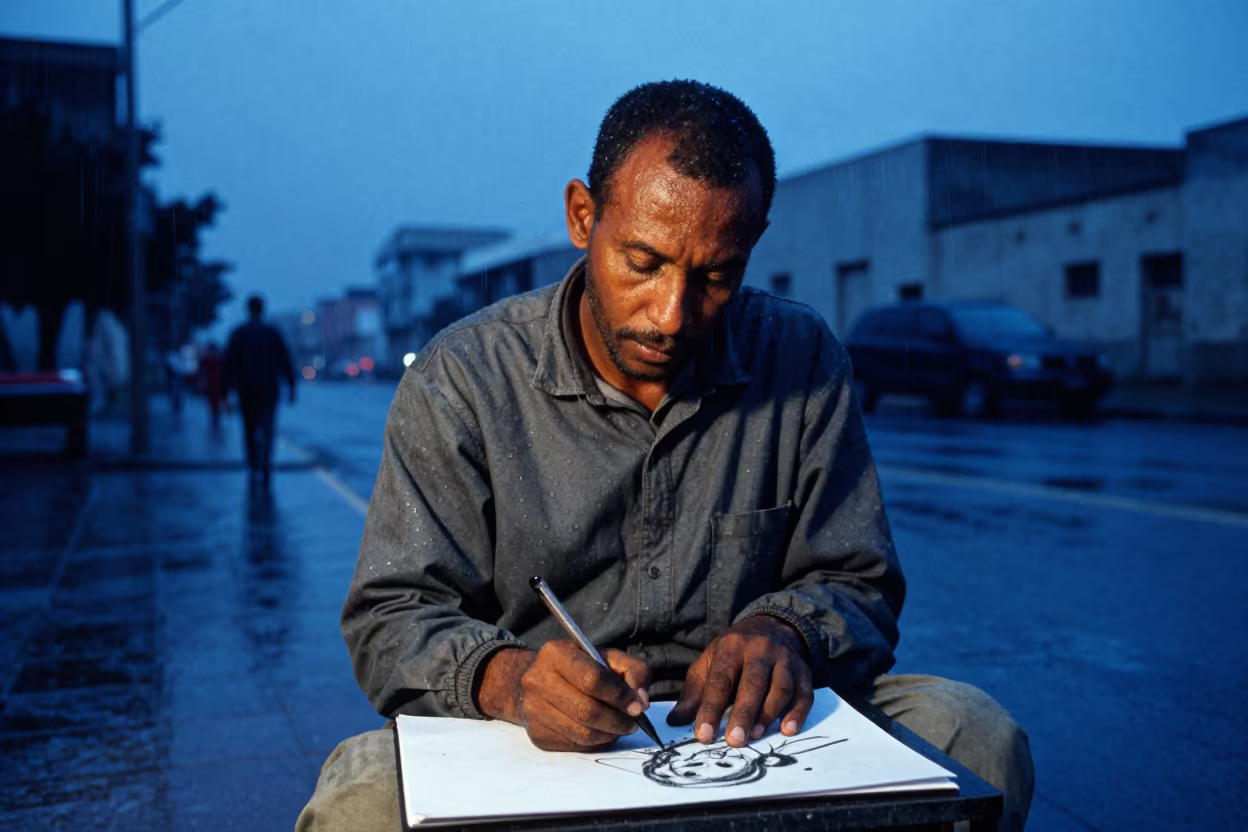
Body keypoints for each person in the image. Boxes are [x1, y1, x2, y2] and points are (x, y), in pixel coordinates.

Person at [298, 81, 1033, 831]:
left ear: (752, 243)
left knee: (975, 737)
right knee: (360, 805)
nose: (673, 314)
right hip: (527, 742)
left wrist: (790, 632)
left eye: (716, 276)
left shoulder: (802, 358)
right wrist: (508, 681)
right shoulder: (464, 379)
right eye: (642, 261)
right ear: (583, 217)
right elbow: (393, 614)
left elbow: (859, 579)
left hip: (751, 734)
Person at [224, 294, 296, 485]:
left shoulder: (238, 333)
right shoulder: (272, 332)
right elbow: (285, 360)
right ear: (262, 309)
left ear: (248, 309)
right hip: (268, 388)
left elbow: (229, 364)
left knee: (248, 427)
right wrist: (291, 387)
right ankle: (266, 463)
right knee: (268, 425)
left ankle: (252, 463)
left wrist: (228, 391)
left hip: (246, 388)